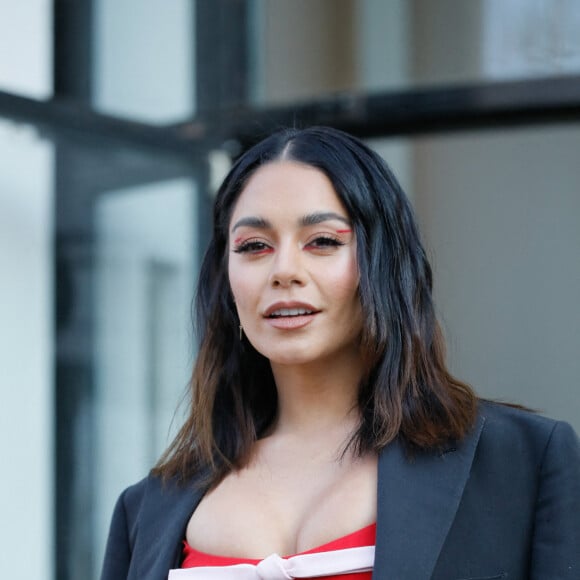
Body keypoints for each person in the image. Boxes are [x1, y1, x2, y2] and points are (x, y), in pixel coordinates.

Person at [101, 126, 580, 580]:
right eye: (254, 246)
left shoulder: (523, 463)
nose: (284, 270)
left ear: (382, 265)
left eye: (324, 241)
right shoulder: (146, 511)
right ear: (225, 280)